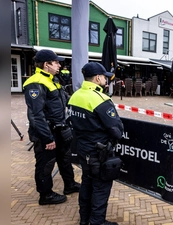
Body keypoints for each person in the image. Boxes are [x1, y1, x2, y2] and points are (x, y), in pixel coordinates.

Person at [68, 62, 124, 225]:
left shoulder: (75, 95)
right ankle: (97, 222)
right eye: (105, 77)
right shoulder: (100, 99)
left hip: (82, 149)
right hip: (99, 152)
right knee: (100, 188)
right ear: (98, 78)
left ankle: (84, 219)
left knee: (87, 183)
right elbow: (116, 130)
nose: (106, 80)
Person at [22, 49, 81, 206]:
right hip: (46, 133)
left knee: (65, 158)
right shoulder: (35, 83)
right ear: (46, 65)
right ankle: (45, 195)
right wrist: (47, 138)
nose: (59, 65)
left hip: (59, 130)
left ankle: (69, 185)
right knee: (46, 164)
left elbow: (64, 100)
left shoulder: (52, 80)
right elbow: (35, 115)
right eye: (56, 62)